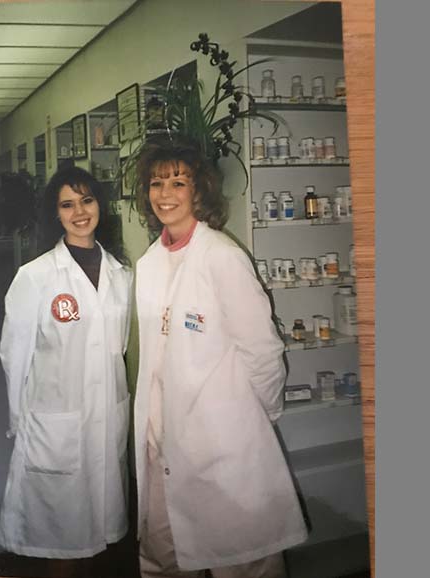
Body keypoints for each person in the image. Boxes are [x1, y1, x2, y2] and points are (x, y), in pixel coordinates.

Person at [133, 139, 308, 578]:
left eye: (178, 181)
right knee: (161, 555)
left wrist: (256, 417)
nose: (165, 193)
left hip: (224, 439)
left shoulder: (224, 258)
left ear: (199, 190)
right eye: (156, 182)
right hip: (161, 439)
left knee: (246, 558)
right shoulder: (149, 263)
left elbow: (264, 352)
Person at [0, 167, 133, 575]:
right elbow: (13, 356)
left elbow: (118, 349)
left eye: (87, 200)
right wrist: (20, 422)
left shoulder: (121, 273)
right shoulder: (35, 277)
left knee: (101, 530)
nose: (79, 212)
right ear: (55, 213)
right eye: (67, 204)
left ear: (100, 206)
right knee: (64, 537)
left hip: (106, 414)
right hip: (54, 421)